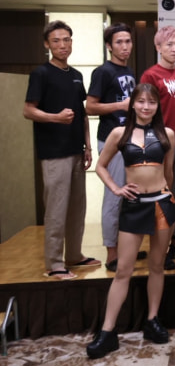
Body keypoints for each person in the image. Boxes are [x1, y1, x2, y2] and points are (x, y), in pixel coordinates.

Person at [86, 83, 175, 359]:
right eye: (141, 101)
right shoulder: (119, 133)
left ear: (157, 106)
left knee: (157, 266)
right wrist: (116, 189)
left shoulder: (167, 134)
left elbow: (169, 171)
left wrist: (168, 197)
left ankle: (152, 320)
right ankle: (107, 331)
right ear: (133, 104)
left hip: (161, 205)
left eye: (151, 102)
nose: (146, 106)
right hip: (134, 206)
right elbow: (100, 166)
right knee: (123, 269)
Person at [24, 20, 98, 280]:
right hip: (54, 153)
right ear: (47, 44)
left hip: (76, 150)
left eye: (66, 40)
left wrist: (88, 146)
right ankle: (54, 263)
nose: (62, 45)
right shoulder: (41, 73)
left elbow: (83, 114)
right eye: (56, 40)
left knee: (77, 207)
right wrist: (55, 118)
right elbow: (28, 110)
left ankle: (74, 255)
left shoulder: (76, 75)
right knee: (56, 209)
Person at [140, 25, 175, 267]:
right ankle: (159, 249)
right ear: (158, 47)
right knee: (161, 196)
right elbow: (144, 111)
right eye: (169, 45)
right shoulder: (150, 75)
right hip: (161, 144)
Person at [86, 23, 137, 271]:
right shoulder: (103, 72)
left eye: (128, 41)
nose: (124, 46)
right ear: (109, 46)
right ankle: (112, 254)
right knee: (114, 197)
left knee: (130, 197)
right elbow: (90, 106)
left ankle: (125, 248)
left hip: (130, 140)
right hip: (111, 141)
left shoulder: (129, 71)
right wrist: (120, 106)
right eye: (119, 42)